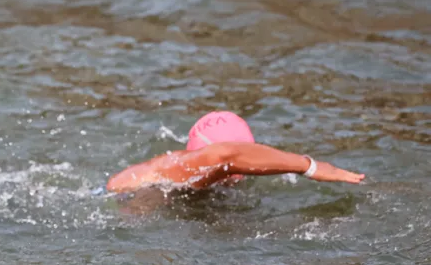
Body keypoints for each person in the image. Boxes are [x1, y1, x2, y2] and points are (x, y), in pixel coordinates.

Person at [106, 111, 366, 193]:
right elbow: (227, 155)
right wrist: (308, 165)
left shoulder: (206, 180)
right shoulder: (177, 168)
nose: (244, 172)